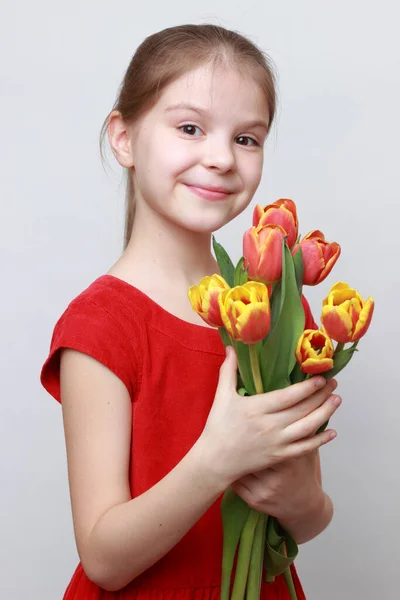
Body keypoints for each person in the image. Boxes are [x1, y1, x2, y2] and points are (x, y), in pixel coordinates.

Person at [40, 23, 341, 600]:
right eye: (189, 128)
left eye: (247, 139)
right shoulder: (100, 325)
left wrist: (304, 502)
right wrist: (218, 460)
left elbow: (309, 518)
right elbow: (103, 559)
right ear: (124, 138)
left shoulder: (279, 306)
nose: (222, 157)